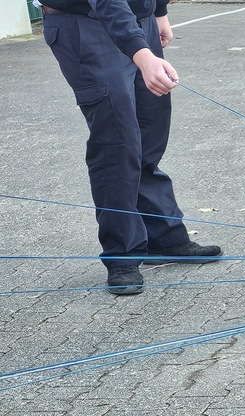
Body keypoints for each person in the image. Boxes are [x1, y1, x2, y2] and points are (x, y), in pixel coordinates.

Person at [40, 0, 222, 295]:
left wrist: (158, 11)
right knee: (118, 139)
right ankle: (122, 255)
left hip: (140, 21)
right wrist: (141, 52)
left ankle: (163, 235)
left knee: (151, 130)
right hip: (84, 24)